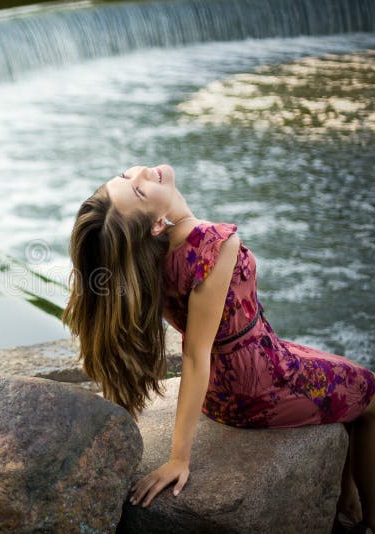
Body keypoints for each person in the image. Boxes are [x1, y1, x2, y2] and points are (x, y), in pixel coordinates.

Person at [61, 164, 375, 533]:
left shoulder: (150, 254)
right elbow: (195, 355)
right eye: (139, 190)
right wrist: (179, 458)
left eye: (128, 176)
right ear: (157, 224)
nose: (142, 172)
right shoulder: (215, 243)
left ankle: (344, 501)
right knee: (370, 389)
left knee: (345, 371)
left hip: (229, 382)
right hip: (259, 382)